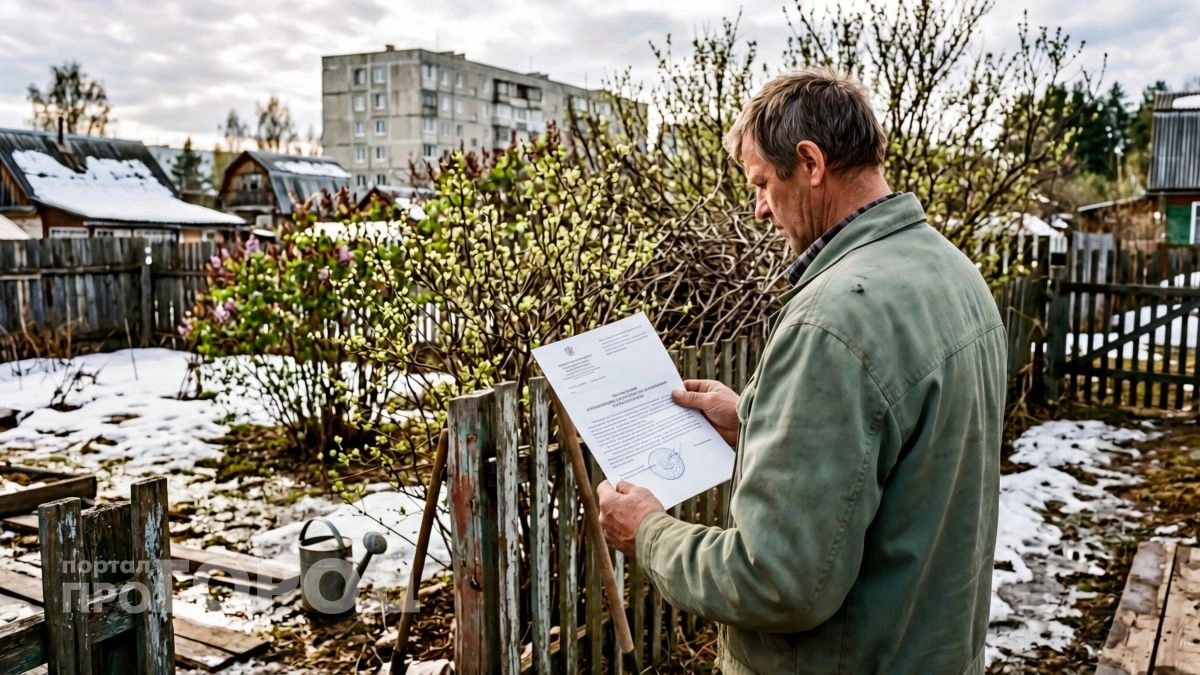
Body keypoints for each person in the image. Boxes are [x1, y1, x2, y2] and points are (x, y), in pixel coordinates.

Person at [597, 68, 1007, 674]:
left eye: (762, 183)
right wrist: (755, 420)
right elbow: (899, 448)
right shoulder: (951, 272)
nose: (760, 209)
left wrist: (650, 534)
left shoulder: (835, 319)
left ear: (810, 163)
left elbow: (775, 581)